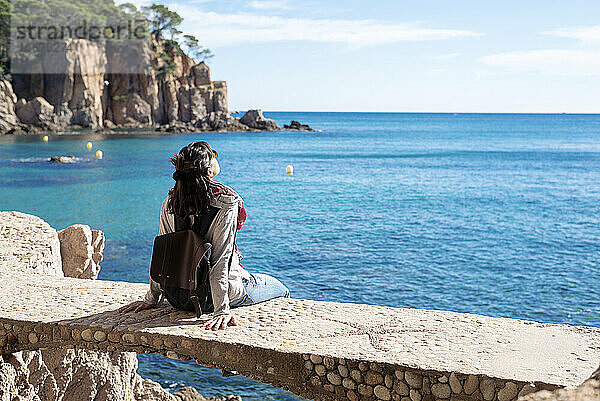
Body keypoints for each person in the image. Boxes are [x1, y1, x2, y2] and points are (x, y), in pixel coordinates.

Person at [118, 141, 290, 330]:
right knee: (281, 289)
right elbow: (220, 261)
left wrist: (152, 298)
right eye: (214, 156)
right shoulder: (226, 203)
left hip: (178, 297)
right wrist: (222, 310)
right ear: (209, 172)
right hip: (208, 300)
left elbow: (163, 253)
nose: (217, 158)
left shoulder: (170, 202)